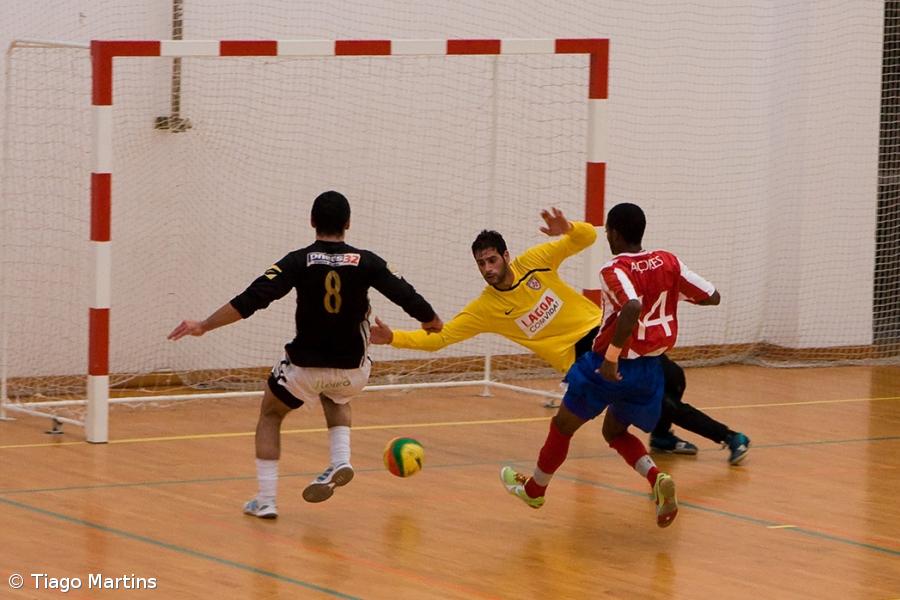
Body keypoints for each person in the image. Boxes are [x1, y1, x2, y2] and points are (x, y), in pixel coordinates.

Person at [370, 207, 749, 464]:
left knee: (675, 377)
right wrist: (394, 339)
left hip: (604, 329)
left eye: (492, 259)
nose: (487, 269)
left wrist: (567, 230)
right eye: (481, 264)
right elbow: (441, 338)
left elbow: (585, 238)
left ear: (505, 255)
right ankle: (728, 437)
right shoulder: (485, 307)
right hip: (583, 356)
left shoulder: (534, 261)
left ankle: (663, 436)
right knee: (662, 399)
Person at [168, 191, 442, 519]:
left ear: (312, 222)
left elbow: (251, 299)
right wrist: (431, 319)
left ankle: (266, 499)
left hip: (305, 369)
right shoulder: (367, 261)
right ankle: (340, 460)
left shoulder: (297, 261)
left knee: (271, 414)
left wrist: (204, 325)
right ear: (348, 224)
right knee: (338, 395)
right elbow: (404, 292)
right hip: (354, 370)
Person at [499, 202, 721, 527]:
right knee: (614, 431)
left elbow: (631, 307)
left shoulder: (613, 269)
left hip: (609, 366)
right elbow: (712, 296)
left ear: (614, 233)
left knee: (562, 426)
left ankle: (535, 489)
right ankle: (656, 477)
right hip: (649, 370)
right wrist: (671, 294)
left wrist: (611, 358)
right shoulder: (668, 262)